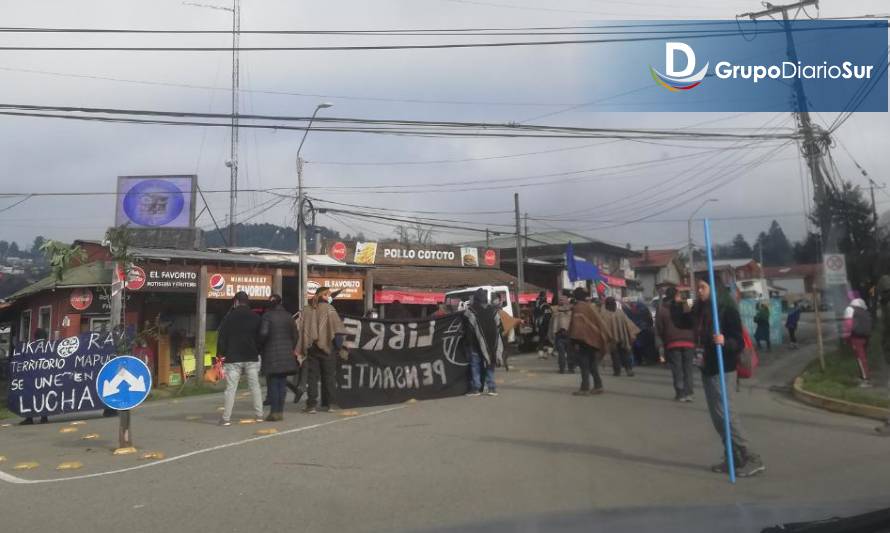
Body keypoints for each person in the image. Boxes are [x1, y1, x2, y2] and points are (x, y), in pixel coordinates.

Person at [694, 278, 765, 477]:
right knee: (717, 418)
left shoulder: (727, 310)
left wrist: (725, 340)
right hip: (707, 367)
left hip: (723, 368)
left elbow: (738, 342)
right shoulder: (701, 310)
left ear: (713, 289)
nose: (699, 291)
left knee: (726, 415)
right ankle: (733, 457)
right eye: (697, 287)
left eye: (703, 287)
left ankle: (750, 457)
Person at [296, 287, 346, 413]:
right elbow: (337, 331)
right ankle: (330, 404)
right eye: (328, 294)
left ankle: (311, 405)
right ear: (324, 295)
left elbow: (301, 330)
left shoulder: (306, 310)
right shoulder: (330, 309)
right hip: (328, 348)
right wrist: (340, 348)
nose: (329, 296)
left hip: (311, 348)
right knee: (329, 376)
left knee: (312, 377)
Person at [217, 291, 264, 427]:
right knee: (255, 386)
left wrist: (221, 354)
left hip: (233, 357)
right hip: (251, 356)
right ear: (247, 302)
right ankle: (259, 415)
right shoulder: (255, 317)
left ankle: (226, 418)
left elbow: (222, 338)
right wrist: (258, 350)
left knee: (231, 389)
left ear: (236, 302)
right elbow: (261, 337)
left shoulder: (229, 318)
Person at [259, 294, 299, 421]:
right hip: (286, 354)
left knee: (273, 383)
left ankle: (274, 412)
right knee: (282, 383)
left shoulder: (267, 316)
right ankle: (280, 411)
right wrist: (290, 347)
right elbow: (295, 336)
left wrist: (260, 346)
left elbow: (263, 333)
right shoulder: (288, 316)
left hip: (271, 354)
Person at [656, 287, 696, 402]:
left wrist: (662, 342)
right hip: (689, 341)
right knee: (688, 368)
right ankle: (689, 393)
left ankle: (680, 393)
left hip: (672, 342)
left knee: (677, 369)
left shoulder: (662, 309)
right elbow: (694, 320)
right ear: (676, 296)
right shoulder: (687, 305)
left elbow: (659, 328)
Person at [568, 287, 610, 396]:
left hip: (583, 341)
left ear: (576, 296)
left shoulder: (578, 308)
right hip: (594, 340)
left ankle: (585, 388)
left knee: (584, 365)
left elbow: (577, 327)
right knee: (592, 365)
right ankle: (598, 386)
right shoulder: (591, 307)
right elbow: (599, 323)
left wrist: (574, 342)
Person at [463, 288, 504, 396]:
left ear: (476, 298)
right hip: (491, 344)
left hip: (475, 344)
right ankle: (492, 388)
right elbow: (499, 326)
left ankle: (476, 388)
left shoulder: (471, 310)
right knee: (489, 364)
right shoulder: (493, 310)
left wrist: (468, 343)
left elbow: (467, 328)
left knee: (475, 366)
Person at [19, 328, 50, 425]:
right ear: (45, 337)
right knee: (43, 396)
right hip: (46, 377)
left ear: (35, 337)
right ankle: (44, 417)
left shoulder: (30, 347)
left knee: (29, 396)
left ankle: (29, 418)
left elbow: (24, 361)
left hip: (32, 377)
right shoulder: (50, 347)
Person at [601, 297, 639, 377]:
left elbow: (627, 322)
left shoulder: (617, 312)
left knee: (621, 353)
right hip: (616, 338)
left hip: (620, 337)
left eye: (613, 303)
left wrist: (632, 333)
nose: (613, 305)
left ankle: (624, 370)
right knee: (619, 354)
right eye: (612, 303)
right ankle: (623, 370)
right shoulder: (608, 313)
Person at [843, 297, 872, 388]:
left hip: (856, 337)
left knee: (860, 358)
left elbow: (848, 324)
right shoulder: (864, 311)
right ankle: (863, 376)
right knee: (863, 357)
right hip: (865, 337)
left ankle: (865, 379)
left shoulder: (850, 309)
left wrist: (846, 336)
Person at [549, 293, 573, 374]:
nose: (561, 301)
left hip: (568, 334)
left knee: (568, 353)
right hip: (560, 334)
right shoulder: (555, 310)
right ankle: (564, 368)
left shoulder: (571, 310)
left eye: (563, 299)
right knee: (562, 353)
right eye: (560, 300)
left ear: (567, 301)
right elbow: (552, 323)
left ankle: (569, 368)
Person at [533, 291, 553, 358]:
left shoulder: (537, 303)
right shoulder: (544, 304)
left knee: (542, 338)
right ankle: (547, 351)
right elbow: (549, 314)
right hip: (545, 323)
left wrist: (536, 324)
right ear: (544, 296)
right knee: (547, 337)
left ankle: (541, 352)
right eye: (545, 296)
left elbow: (535, 314)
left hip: (540, 323)